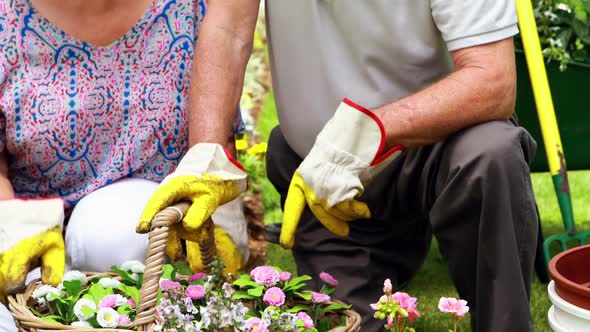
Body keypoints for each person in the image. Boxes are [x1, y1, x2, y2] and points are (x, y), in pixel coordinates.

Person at [188, 1, 536, 331]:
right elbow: (227, 29)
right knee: (345, 321)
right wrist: (209, 163)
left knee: (491, 154)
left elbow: (493, 81)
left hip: (436, 153)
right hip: (322, 189)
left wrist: (365, 133)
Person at [0, 0, 257, 330]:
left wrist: (210, 176)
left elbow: (230, 35)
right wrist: (8, 222)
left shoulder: (194, 11)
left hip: (146, 238)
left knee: (113, 233)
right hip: (29, 236)